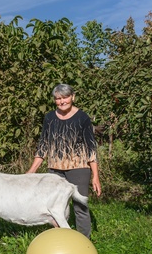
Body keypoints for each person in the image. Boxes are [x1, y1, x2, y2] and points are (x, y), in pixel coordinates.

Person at [27, 83, 102, 238]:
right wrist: (32, 171)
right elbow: (43, 145)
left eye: (65, 97)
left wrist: (95, 176)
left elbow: (91, 148)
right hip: (54, 170)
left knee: (80, 206)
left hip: (79, 169)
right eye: (58, 98)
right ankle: (60, 240)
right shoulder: (49, 118)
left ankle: (83, 242)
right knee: (54, 207)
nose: (61, 101)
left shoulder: (83, 118)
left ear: (72, 97)